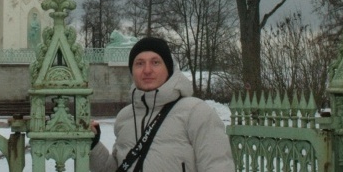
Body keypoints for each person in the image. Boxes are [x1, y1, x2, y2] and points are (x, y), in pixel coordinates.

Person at [89, 37, 234, 172]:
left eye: (155, 62)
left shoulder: (196, 112)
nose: (147, 70)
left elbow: (218, 166)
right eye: (139, 63)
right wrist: (93, 145)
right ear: (132, 71)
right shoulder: (125, 117)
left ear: (168, 69)